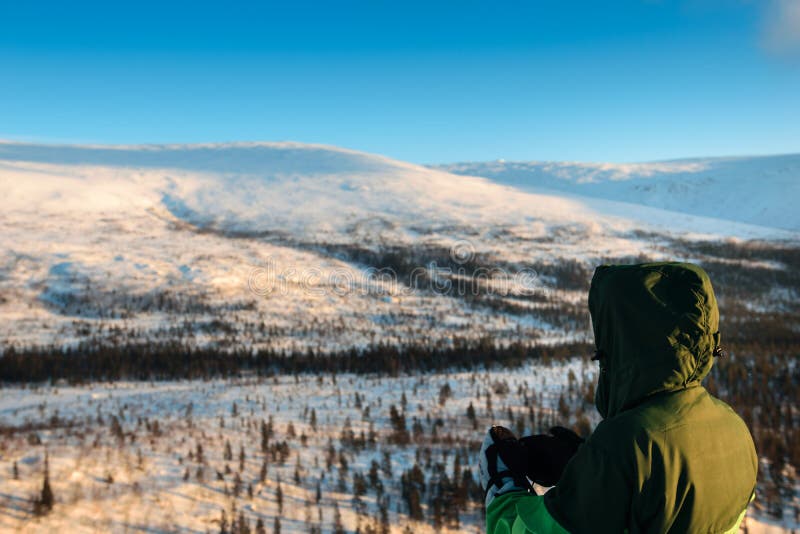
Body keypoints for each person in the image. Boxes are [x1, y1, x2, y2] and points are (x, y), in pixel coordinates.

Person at [479, 262, 758, 533]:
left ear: (624, 344)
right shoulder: (734, 428)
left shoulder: (625, 444)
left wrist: (503, 488)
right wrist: (587, 466)